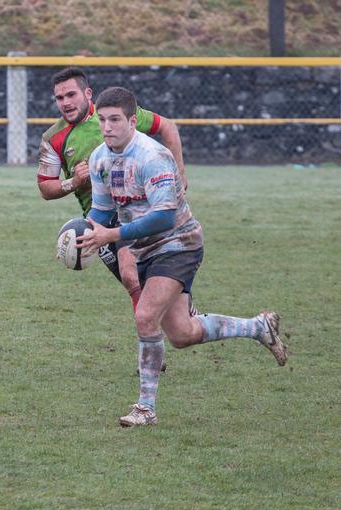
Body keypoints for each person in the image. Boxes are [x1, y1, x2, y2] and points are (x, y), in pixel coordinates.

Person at [77, 86, 288, 428]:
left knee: (145, 316)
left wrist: (111, 235)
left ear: (132, 121)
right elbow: (101, 210)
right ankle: (257, 326)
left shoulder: (152, 156)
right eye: (101, 119)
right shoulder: (100, 158)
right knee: (181, 333)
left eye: (115, 119)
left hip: (179, 243)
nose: (107, 127)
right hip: (145, 249)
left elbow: (163, 216)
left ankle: (146, 408)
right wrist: (83, 234)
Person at [37, 67, 193, 372]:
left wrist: (180, 172)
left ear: (87, 94)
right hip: (99, 218)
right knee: (138, 286)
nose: (65, 102)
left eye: (71, 95)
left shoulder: (114, 114)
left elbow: (168, 127)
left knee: (133, 276)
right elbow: (45, 187)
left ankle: (153, 353)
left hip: (137, 209)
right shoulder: (53, 138)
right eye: (59, 98)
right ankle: (173, 325)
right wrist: (73, 182)